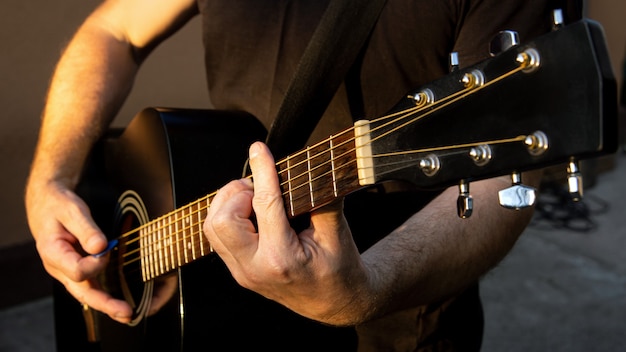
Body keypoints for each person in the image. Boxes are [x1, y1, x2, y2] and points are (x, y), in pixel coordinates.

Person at [25, 0, 582, 350]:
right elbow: (117, 28)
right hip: (219, 299)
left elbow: (503, 185)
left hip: (395, 318)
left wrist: (366, 292)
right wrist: (50, 176)